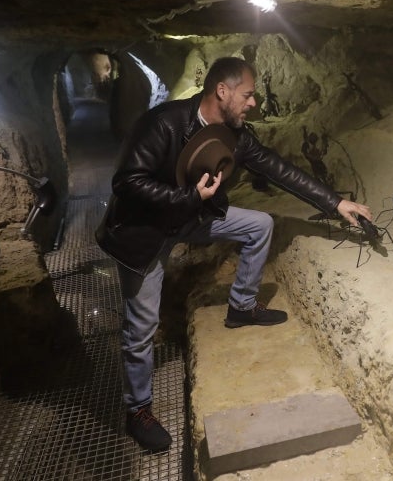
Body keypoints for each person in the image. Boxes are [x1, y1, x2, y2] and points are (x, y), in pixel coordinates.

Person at [95, 56, 371, 452]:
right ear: (221, 92)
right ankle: (137, 410)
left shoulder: (234, 134)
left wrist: (335, 203)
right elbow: (127, 182)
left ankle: (241, 307)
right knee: (141, 329)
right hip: (144, 233)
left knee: (259, 224)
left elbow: (276, 168)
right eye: (248, 94)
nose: (253, 103)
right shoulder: (164, 123)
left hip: (189, 215)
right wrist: (187, 197)